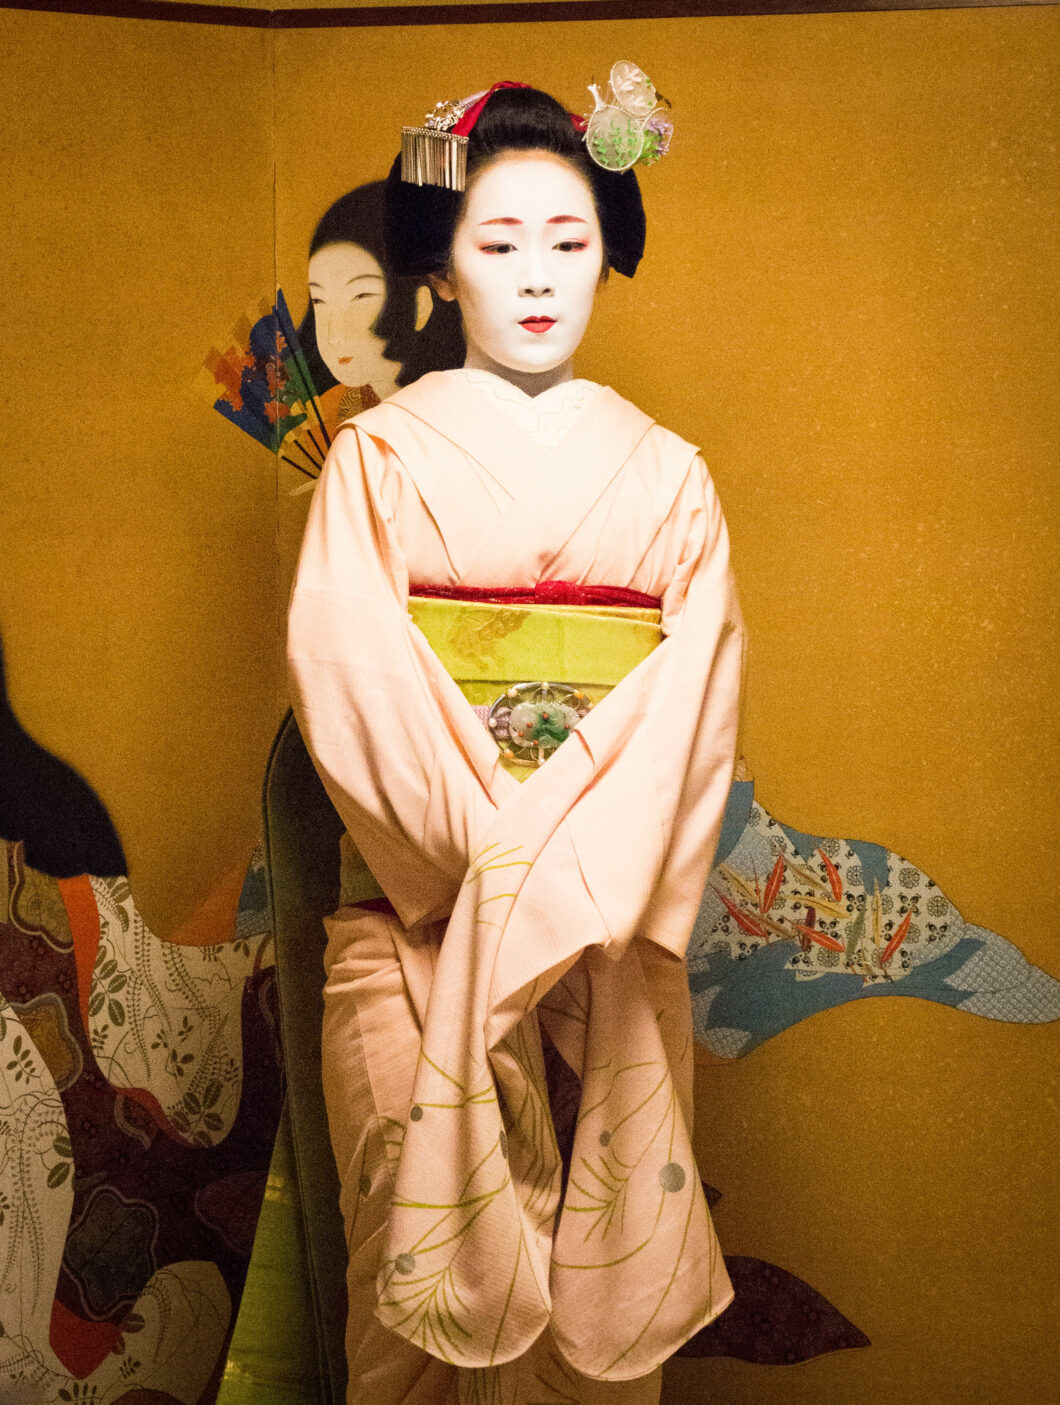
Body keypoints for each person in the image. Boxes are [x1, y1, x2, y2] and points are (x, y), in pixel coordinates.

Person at [287, 76, 744, 1404]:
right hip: (415, 940)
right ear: (441, 259)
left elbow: (685, 721)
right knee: (420, 1328)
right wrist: (513, 876)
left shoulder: (671, 478)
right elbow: (357, 689)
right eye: (499, 239)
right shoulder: (376, 466)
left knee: (604, 1343)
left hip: (609, 958)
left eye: (566, 237)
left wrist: (553, 893)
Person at [298, 181, 464, 435]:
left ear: (421, 304)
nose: (334, 335)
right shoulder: (339, 409)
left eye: (360, 297)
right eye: (319, 301)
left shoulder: (453, 414)